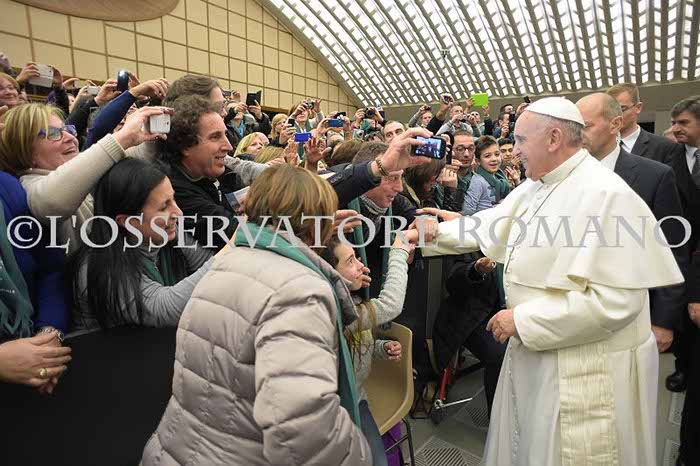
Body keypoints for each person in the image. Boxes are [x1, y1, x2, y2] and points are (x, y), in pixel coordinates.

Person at [420, 97, 683, 466]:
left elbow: (616, 303)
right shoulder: (540, 183)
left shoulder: (607, 195)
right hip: (539, 356)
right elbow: (492, 222)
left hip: (580, 370)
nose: (514, 152)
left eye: (521, 141)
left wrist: (522, 319)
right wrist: (426, 235)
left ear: (554, 138)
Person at [141, 164, 372, 466]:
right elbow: (303, 429)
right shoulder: (298, 290)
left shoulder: (223, 264)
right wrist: (359, 457)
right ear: (319, 226)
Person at [576, 92, 687, 353]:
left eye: (586, 126)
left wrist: (663, 320)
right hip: (575, 316)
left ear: (615, 124)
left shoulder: (655, 176)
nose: (579, 135)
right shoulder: (563, 177)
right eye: (575, 127)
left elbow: (672, 249)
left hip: (635, 314)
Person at [0, 102, 169, 255]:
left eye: (68, 130)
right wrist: (124, 137)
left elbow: (128, 159)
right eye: (53, 133)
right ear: (24, 149)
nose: (70, 138)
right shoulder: (28, 185)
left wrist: (148, 136)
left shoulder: (78, 174)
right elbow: (51, 202)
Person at [71, 159, 214, 331]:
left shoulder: (169, 233)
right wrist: (231, 251)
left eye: (173, 199)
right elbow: (163, 309)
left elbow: (208, 266)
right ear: (128, 222)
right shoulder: (97, 266)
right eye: (164, 207)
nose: (178, 212)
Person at [667, 96, 700, 393]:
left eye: (683, 122)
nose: (676, 128)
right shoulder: (669, 156)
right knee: (683, 310)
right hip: (682, 248)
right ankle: (682, 367)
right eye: (674, 122)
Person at [607, 82, 685, 165]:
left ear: (638, 107)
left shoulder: (665, 147)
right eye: (610, 111)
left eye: (622, 109)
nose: (616, 115)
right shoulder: (599, 146)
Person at [461, 136, 509, 215]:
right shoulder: (478, 181)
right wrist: (496, 209)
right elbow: (468, 210)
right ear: (478, 161)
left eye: (497, 154)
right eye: (487, 156)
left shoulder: (500, 176)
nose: (494, 159)